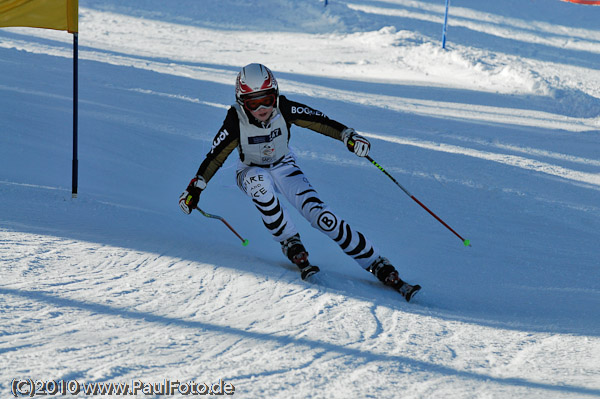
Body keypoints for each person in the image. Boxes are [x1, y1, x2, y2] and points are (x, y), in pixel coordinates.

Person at [179, 63, 420, 301]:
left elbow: (320, 121)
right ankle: (289, 240)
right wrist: (195, 188)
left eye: (267, 99)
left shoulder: (284, 108)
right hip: (250, 170)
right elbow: (215, 156)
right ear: (242, 102)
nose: (262, 108)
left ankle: (376, 262)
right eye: (253, 102)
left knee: (321, 216)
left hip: (284, 164)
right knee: (261, 188)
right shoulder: (235, 119)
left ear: (276, 94)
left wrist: (348, 136)